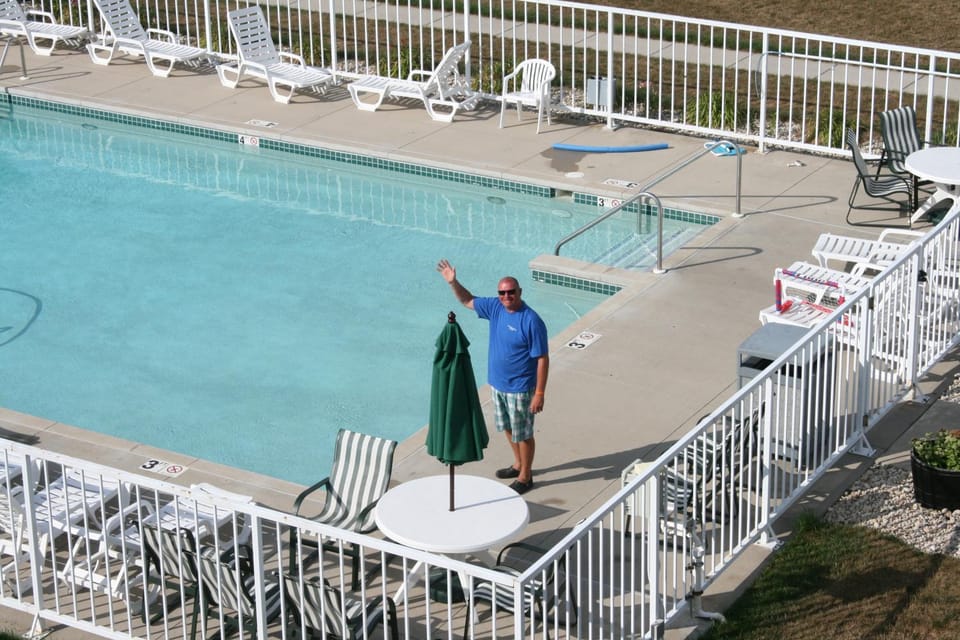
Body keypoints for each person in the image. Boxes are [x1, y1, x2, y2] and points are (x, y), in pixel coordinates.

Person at [436, 259, 548, 495]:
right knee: (508, 427)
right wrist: (453, 282)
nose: (506, 296)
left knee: (524, 433)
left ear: (520, 292)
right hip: (497, 384)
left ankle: (526, 477)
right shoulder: (495, 308)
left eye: (511, 292)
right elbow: (467, 300)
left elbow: (542, 359)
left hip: (520, 388)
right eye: (502, 293)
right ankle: (518, 464)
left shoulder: (531, 320)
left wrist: (539, 393)